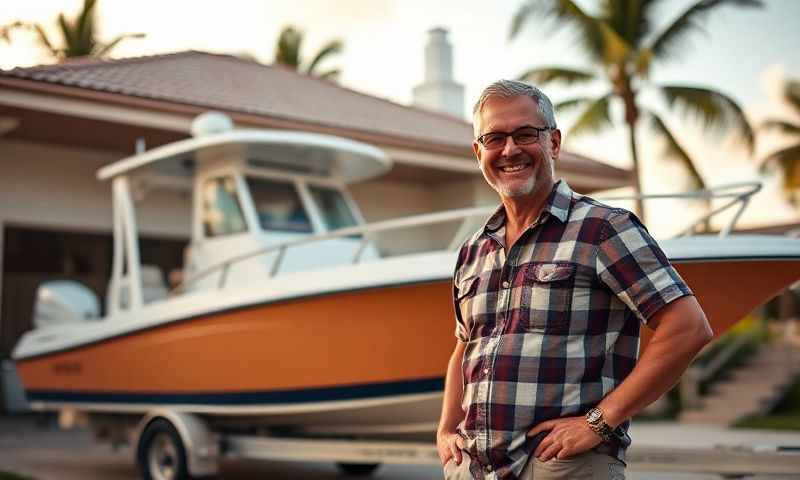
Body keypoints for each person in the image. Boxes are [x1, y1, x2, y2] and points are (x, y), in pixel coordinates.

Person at [436, 80, 713, 480]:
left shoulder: (603, 229)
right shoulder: (473, 251)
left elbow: (689, 329)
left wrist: (600, 422)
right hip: (476, 470)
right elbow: (465, 347)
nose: (510, 149)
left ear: (553, 142)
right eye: (494, 138)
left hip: (560, 468)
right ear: (478, 152)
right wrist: (446, 428)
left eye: (525, 134)